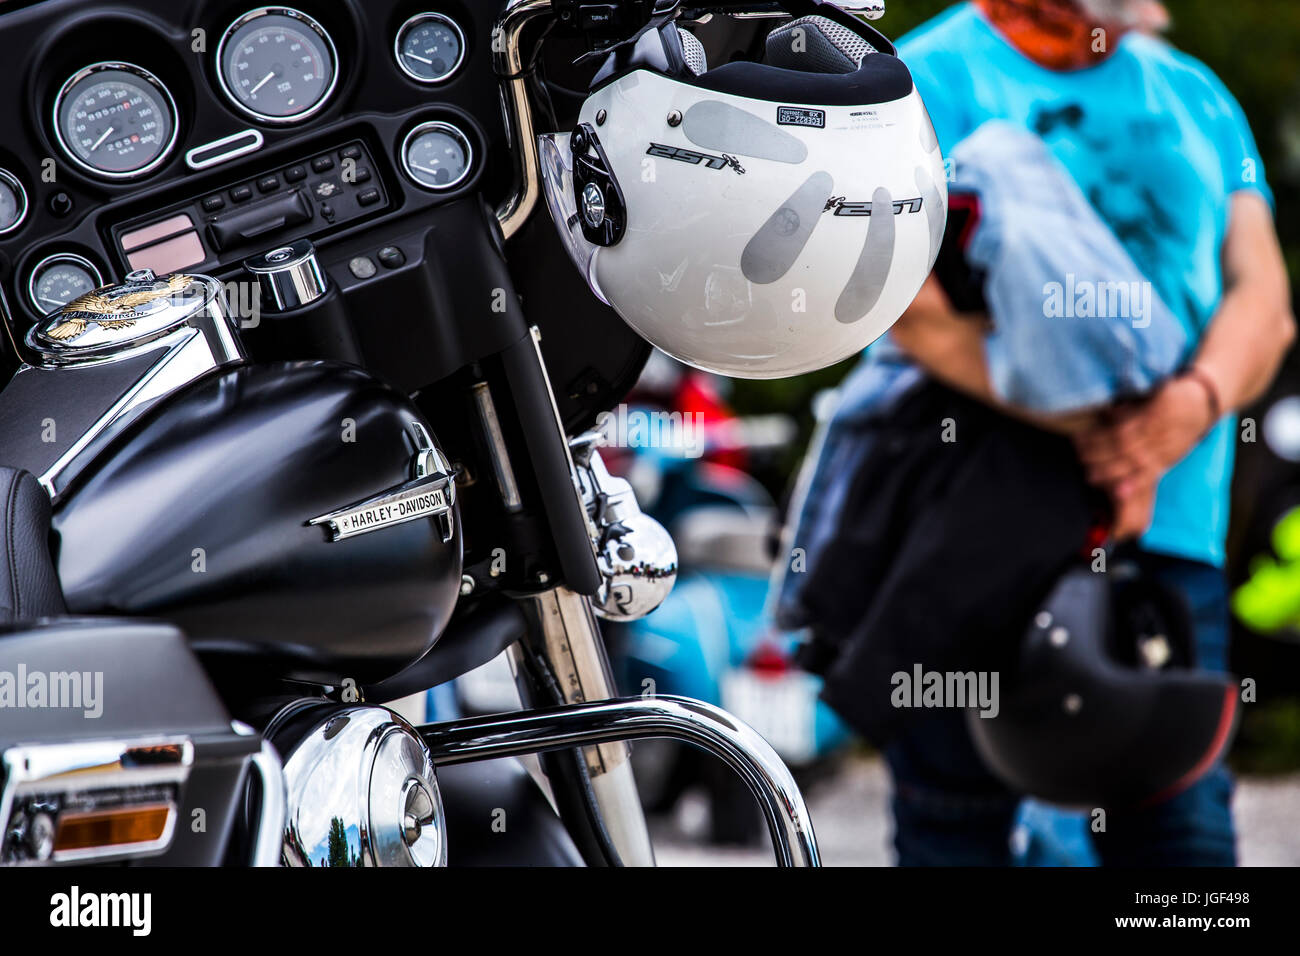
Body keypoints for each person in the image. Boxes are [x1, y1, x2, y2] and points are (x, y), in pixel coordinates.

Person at [848, 0, 1292, 865]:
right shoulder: (913, 82)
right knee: (953, 828)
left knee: (1183, 854)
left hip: (1164, 541)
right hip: (969, 532)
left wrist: (1191, 405)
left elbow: (1264, 302)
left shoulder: (1196, 94)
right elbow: (898, 302)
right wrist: (1109, 434)